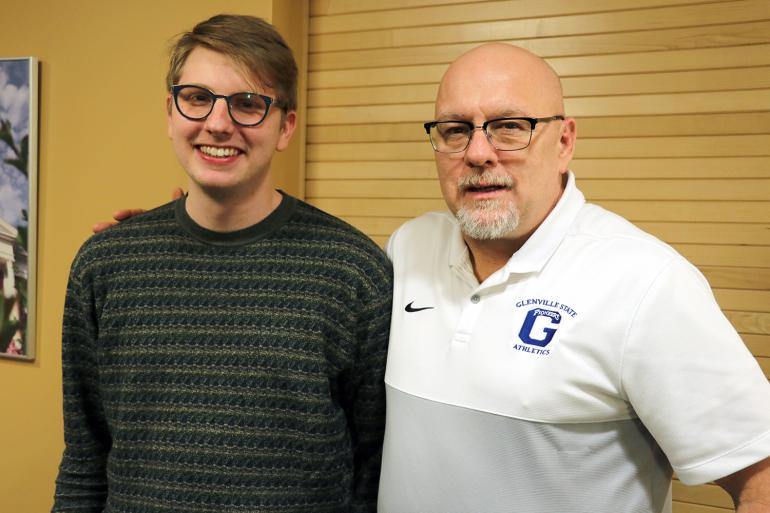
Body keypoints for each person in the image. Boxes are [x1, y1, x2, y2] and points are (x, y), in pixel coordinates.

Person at [376, 43, 770, 513]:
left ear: (564, 142)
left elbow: (759, 475)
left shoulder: (645, 282)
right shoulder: (409, 247)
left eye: (509, 127)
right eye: (455, 130)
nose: (478, 153)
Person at [53, 14, 391, 513]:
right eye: (197, 98)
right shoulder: (105, 266)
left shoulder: (353, 272)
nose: (217, 123)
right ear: (170, 112)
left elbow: (372, 470)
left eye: (249, 104)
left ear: (285, 126)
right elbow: (85, 458)